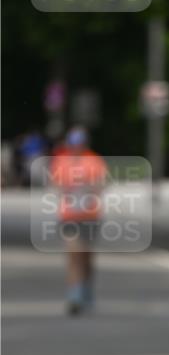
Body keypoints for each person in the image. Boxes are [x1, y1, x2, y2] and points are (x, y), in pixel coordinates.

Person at [49, 127, 107, 314]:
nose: (76, 148)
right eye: (73, 144)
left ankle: (86, 288)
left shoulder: (94, 160)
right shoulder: (61, 161)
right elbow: (55, 183)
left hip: (90, 215)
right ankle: (74, 296)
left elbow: (101, 183)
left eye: (79, 144)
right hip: (69, 216)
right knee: (73, 254)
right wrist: (66, 189)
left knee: (86, 257)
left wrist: (89, 188)